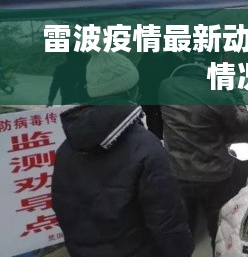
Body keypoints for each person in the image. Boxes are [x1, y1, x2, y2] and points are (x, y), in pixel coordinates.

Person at [51, 52, 194, 257]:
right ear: (132, 90)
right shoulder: (147, 147)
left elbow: (62, 205)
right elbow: (167, 221)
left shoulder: (66, 148)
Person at [159, 51, 248, 254]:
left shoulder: (166, 87)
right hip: (214, 176)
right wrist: (234, 93)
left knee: (183, 233)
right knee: (220, 232)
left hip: (178, 173)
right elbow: (241, 123)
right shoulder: (217, 94)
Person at [137, 46, 182, 139]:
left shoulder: (175, 62)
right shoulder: (145, 61)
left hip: (168, 103)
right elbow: (141, 82)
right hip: (151, 102)